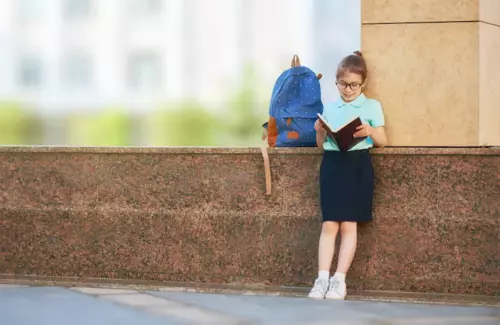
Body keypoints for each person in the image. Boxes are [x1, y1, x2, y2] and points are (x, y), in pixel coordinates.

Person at [308, 51, 388, 300]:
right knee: (329, 224)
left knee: (348, 225)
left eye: (353, 85)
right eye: (342, 84)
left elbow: (383, 141)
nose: (348, 89)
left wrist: (370, 130)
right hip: (332, 165)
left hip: (357, 166)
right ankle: (321, 279)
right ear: (336, 82)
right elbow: (321, 145)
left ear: (362, 83)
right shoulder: (330, 108)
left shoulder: (372, 106)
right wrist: (319, 131)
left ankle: (339, 280)